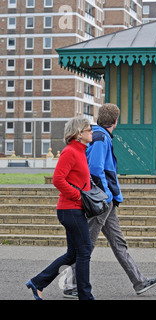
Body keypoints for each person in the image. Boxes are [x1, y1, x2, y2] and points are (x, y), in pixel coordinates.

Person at [62, 103, 156, 299]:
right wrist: (106, 196)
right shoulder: (100, 138)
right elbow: (95, 168)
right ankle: (70, 285)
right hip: (102, 201)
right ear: (116, 121)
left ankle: (139, 281)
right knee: (86, 245)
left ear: (100, 117)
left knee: (118, 243)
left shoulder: (97, 134)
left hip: (107, 200)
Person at [26, 117, 94, 300]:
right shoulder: (70, 151)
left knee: (73, 254)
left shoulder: (81, 151)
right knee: (85, 251)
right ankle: (85, 296)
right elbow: (57, 179)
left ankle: (38, 282)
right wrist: (78, 196)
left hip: (75, 209)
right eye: (89, 129)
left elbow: (79, 180)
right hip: (70, 209)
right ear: (79, 133)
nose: (92, 132)